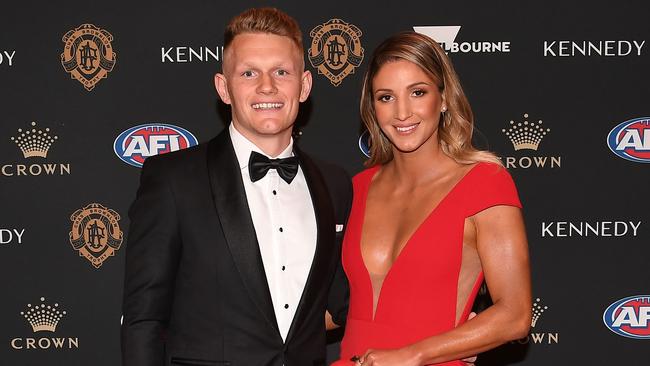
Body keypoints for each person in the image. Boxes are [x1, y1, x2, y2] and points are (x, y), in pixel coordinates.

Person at [121, 8, 351, 366]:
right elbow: (143, 319)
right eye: (248, 73)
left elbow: (344, 300)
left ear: (304, 85)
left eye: (281, 71)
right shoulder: (173, 179)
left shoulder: (334, 183)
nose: (267, 86)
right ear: (223, 88)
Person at [334, 32, 532, 366]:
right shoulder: (356, 188)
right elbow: (333, 307)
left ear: (443, 98)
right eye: (386, 97)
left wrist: (413, 354)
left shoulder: (485, 183)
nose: (402, 113)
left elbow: (515, 315)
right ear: (372, 107)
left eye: (418, 92)